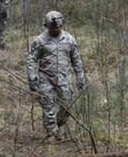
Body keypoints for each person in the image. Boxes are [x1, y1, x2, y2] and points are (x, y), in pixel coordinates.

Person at [26, 10, 86, 141]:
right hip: (46, 79)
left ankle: (57, 125)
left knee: (68, 107)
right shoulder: (40, 41)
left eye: (58, 27)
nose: (56, 30)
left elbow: (77, 60)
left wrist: (80, 77)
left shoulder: (69, 40)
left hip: (65, 79)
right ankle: (51, 134)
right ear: (47, 26)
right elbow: (31, 60)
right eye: (53, 28)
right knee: (48, 107)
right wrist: (32, 79)